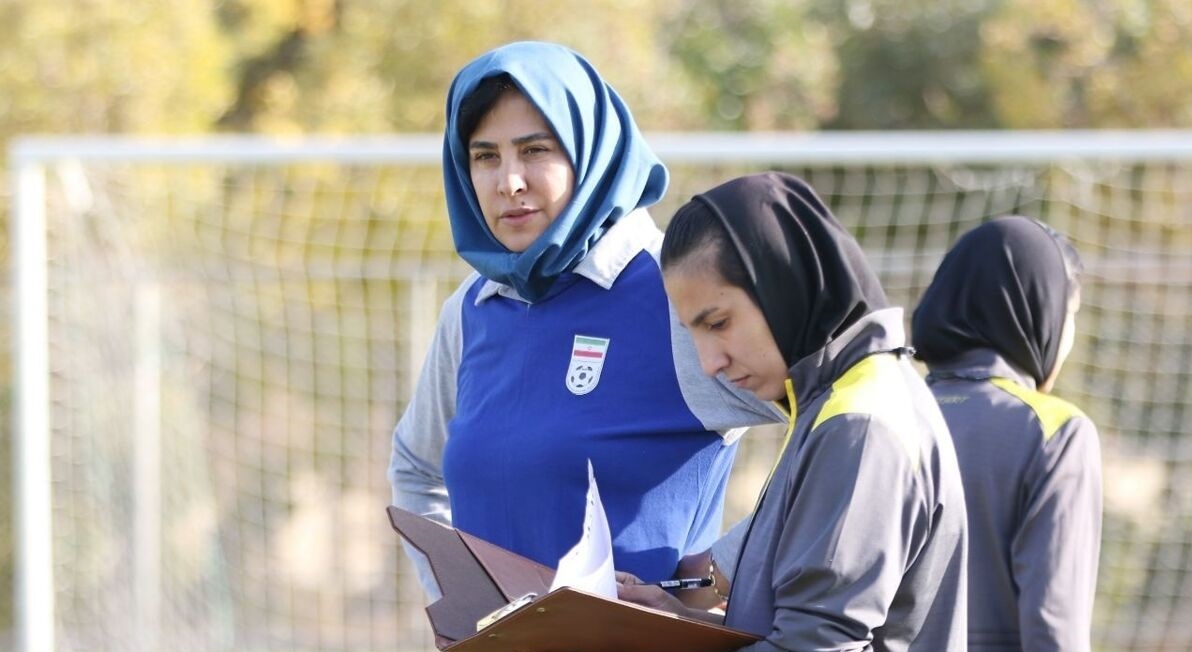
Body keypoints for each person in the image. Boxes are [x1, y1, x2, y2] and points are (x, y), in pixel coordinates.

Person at [387, 41, 779, 601]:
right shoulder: (470, 309)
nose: (509, 182)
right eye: (486, 156)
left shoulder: (676, 293)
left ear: (590, 153)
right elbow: (415, 468)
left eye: (535, 150)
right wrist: (458, 601)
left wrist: (717, 576)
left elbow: (837, 433)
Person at [618, 171, 968, 651]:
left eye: (718, 323)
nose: (709, 362)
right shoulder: (835, 399)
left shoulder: (859, 425)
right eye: (692, 333)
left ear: (782, 285)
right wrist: (678, 619)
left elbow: (815, 645)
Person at [911, 216, 1102, 651]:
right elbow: (1054, 629)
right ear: (1041, 311)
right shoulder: (1055, 434)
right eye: (1070, 314)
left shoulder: (883, 415)